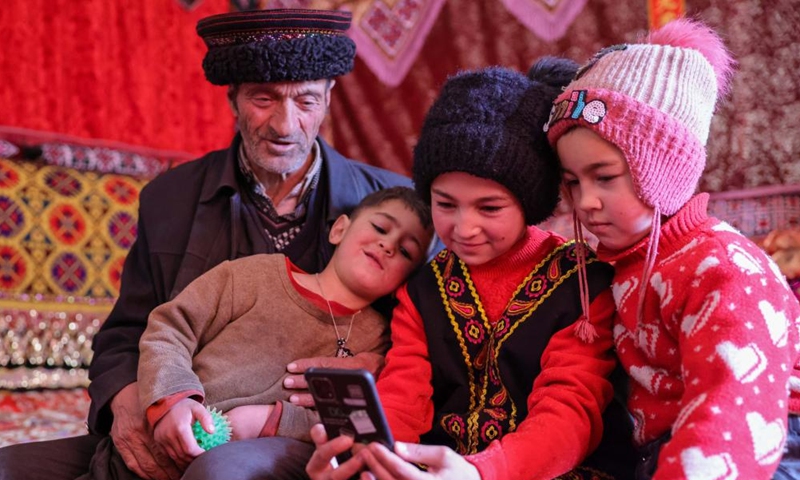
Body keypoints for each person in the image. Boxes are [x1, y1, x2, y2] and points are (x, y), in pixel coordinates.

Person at [0, 8, 419, 480]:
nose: (284, 125)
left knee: (216, 472)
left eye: (305, 101)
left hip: (297, 436)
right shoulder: (170, 200)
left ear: (329, 98)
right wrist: (135, 405)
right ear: (233, 99)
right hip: (179, 415)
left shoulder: (391, 214)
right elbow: (126, 334)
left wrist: (377, 364)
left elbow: (430, 346)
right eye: (263, 98)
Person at [308, 58, 637, 480]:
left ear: (530, 204)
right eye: (445, 204)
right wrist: (374, 459)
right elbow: (403, 393)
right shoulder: (425, 288)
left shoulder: (581, 284)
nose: (463, 228)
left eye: (489, 207)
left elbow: (571, 411)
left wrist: (481, 473)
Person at [545, 18, 800, 479]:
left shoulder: (724, 267)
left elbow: (731, 417)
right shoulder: (617, 265)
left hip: (765, 441)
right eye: (571, 182)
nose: (585, 202)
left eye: (605, 177)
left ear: (663, 168)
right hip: (669, 445)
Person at [77, 186, 431, 479]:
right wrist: (172, 399)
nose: (388, 245)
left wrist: (272, 420)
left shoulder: (381, 344)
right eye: (381, 229)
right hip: (153, 441)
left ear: (405, 281)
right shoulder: (250, 276)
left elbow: (347, 423)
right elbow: (170, 328)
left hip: (239, 462)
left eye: (405, 250)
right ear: (339, 229)